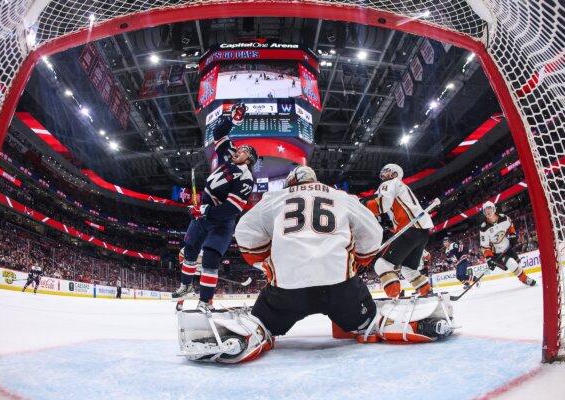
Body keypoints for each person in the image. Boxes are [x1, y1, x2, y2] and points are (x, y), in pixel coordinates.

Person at [176, 166, 454, 363]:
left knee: (261, 322)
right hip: (341, 288)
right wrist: (358, 260)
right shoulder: (340, 196)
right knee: (369, 322)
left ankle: (249, 335)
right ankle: (403, 323)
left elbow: (245, 233)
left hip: (287, 290)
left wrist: (265, 260)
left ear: (291, 183)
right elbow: (372, 233)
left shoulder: (276, 198)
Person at [172, 103, 258, 311]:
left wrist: (204, 210)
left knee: (210, 257)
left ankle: (204, 302)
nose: (239, 149)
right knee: (190, 249)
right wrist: (232, 119)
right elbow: (218, 133)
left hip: (221, 222)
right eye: (240, 148)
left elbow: (231, 209)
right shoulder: (228, 156)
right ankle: (186, 286)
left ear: (250, 159)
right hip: (203, 216)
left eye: (244, 150)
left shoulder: (246, 179)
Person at [365, 164, 433, 297]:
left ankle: (395, 295)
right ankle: (426, 292)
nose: (383, 173)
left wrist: (362, 204)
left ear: (394, 174)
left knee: (381, 265)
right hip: (422, 232)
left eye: (387, 170)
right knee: (408, 270)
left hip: (409, 228)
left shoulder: (390, 182)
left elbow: (381, 204)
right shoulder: (400, 186)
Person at [479, 201, 536, 286]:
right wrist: (489, 258)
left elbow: (511, 226)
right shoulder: (484, 228)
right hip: (497, 253)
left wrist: (513, 235)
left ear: (494, 209)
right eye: (485, 210)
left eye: (489, 209)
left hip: (508, 247)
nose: (487, 212)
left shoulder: (504, 218)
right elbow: (484, 246)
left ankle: (523, 276)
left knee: (517, 264)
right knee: (512, 264)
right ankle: (524, 279)